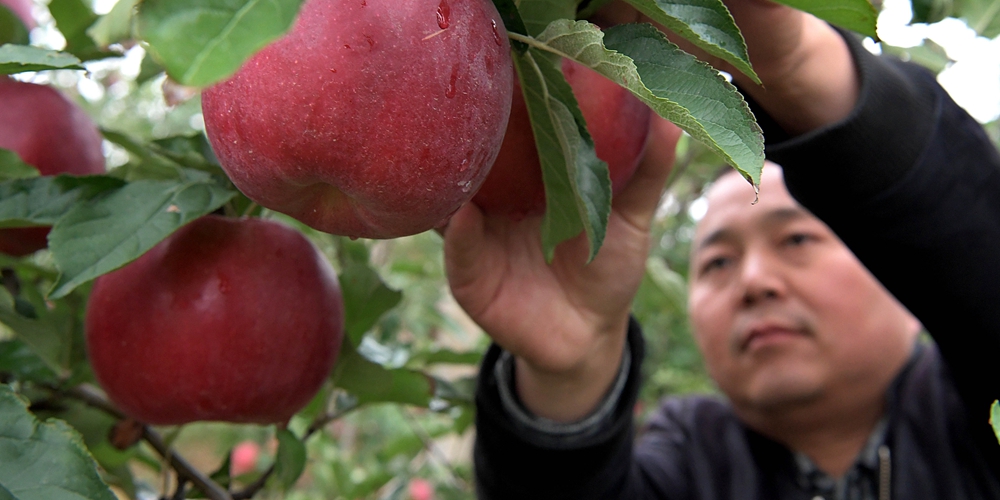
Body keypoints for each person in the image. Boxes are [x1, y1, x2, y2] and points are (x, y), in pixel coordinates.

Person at [441, 0, 1000, 498]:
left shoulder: (974, 423)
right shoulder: (689, 457)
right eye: (716, 263)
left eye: (798, 239)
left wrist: (802, 70)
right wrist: (570, 377)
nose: (755, 281)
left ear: (895, 265)